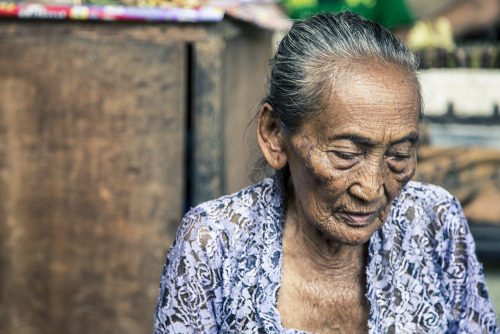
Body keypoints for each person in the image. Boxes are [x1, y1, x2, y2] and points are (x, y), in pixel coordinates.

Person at [154, 12, 499, 333]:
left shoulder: (437, 222)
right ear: (274, 134)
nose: (372, 189)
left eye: (399, 154)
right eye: (346, 154)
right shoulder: (212, 245)